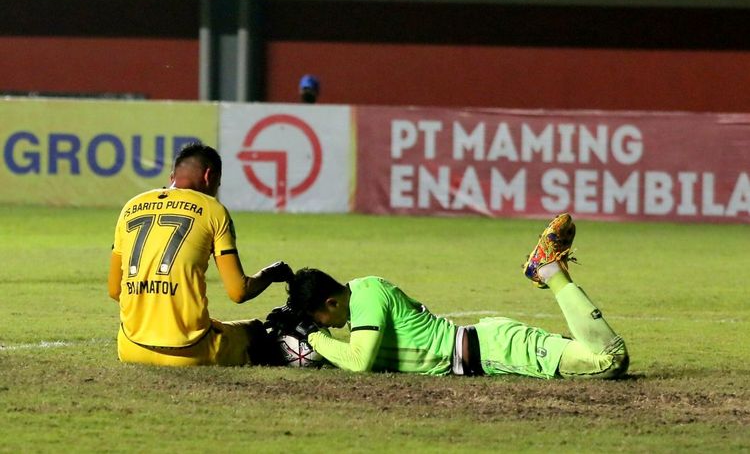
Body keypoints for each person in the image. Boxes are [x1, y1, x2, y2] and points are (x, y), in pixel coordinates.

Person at [284, 214, 629, 379]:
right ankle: (549, 273)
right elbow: (353, 354)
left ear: (330, 303)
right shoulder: (361, 302)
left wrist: (312, 336)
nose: (326, 327)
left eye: (321, 319)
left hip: (495, 349)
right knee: (593, 356)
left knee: (609, 360)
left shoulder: (365, 295)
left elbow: (359, 361)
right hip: (485, 344)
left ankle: (549, 271)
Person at [107, 142, 292, 367]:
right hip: (191, 351)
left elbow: (115, 289)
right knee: (255, 329)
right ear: (208, 176)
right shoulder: (212, 209)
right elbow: (238, 291)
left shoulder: (131, 206)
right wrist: (271, 273)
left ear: (172, 175)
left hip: (130, 347)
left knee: (214, 325)